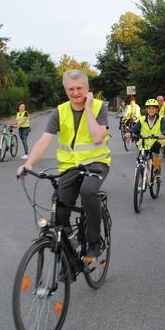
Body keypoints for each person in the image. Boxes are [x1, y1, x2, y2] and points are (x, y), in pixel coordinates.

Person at [17, 70, 110, 262]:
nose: (75, 93)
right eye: (71, 89)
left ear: (87, 88)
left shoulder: (100, 107)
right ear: (65, 90)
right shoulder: (60, 111)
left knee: (88, 192)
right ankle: (70, 246)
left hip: (96, 163)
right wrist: (28, 164)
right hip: (70, 166)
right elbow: (44, 140)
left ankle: (95, 242)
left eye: (79, 88)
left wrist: (89, 109)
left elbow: (97, 136)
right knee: (59, 211)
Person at [124, 99, 165, 178]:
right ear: (147, 109)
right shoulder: (142, 119)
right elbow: (135, 128)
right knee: (140, 159)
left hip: (156, 140)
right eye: (149, 108)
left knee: (155, 149)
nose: (151, 110)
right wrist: (129, 132)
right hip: (145, 141)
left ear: (156, 109)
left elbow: (164, 129)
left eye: (153, 108)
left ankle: (157, 169)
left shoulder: (161, 119)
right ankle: (141, 181)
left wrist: (163, 135)